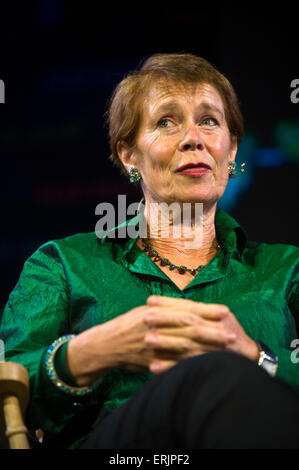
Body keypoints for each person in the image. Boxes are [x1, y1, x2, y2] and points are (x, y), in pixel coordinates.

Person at [1, 53, 299, 450]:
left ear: (231, 153)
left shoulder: (287, 269)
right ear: (129, 156)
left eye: (209, 120)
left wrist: (254, 356)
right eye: (166, 122)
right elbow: (10, 380)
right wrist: (90, 352)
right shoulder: (63, 264)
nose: (194, 138)